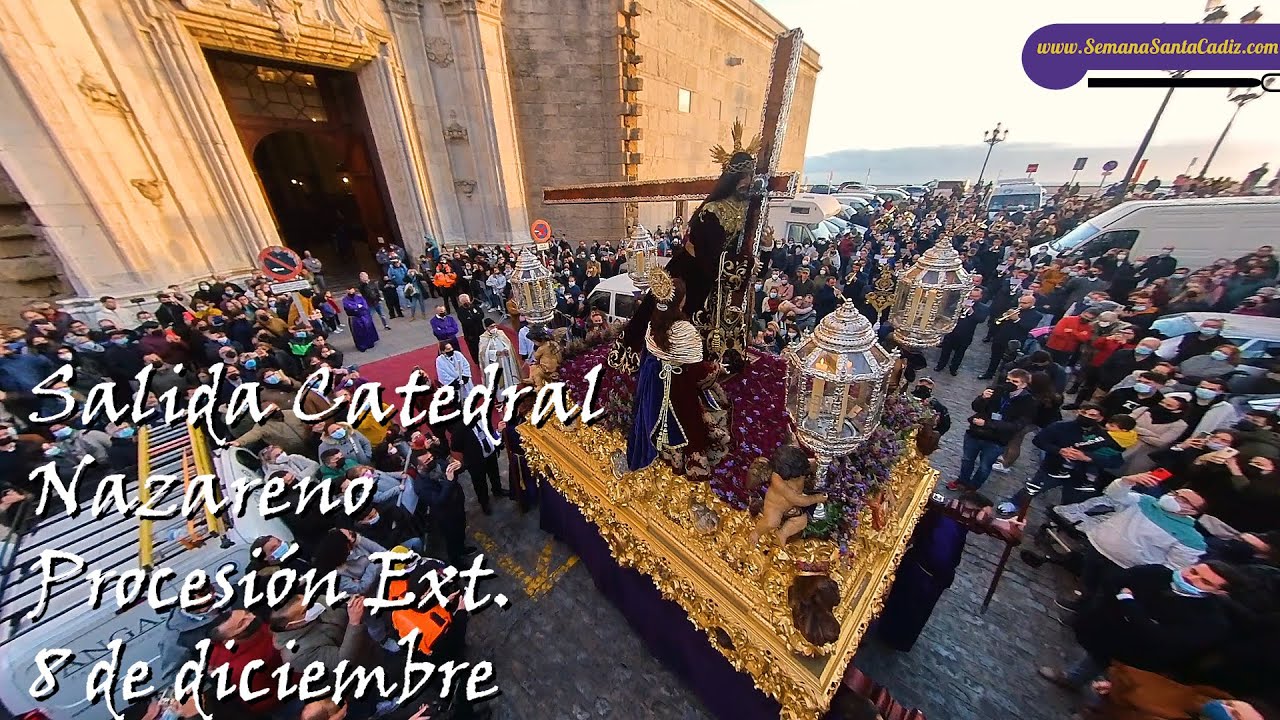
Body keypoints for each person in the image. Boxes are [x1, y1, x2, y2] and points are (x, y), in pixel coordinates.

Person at [617, 149, 755, 366]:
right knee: (674, 313)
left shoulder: (748, 208)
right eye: (744, 176)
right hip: (694, 272)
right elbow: (703, 249)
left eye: (751, 175)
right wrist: (734, 267)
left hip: (718, 276)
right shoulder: (712, 210)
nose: (748, 181)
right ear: (733, 178)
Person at [1039, 562, 1245, 693]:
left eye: (1205, 582)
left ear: (1218, 592)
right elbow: (1114, 582)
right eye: (1194, 571)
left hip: (1138, 657)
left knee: (1122, 688)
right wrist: (1140, 618)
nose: (1191, 578)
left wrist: (1129, 603)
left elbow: (1162, 639)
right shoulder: (1158, 572)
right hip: (1107, 632)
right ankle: (1072, 681)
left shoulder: (1211, 621)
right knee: (1095, 659)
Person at [626, 270, 729, 481]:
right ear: (681, 301)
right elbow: (697, 371)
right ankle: (692, 459)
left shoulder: (653, 323)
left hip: (654, 386)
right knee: (691, 421)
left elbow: (648, 355)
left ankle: (664, 453)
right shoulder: (684, 330)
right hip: (679, 388)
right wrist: (717, 369)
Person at [950, 368, 1036, 492]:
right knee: (967, 460)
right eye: (1008, 379)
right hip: (976, 433)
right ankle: (962, 481)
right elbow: (976, 407)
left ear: (1024, 385)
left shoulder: (1028, 402)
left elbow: (1016, 425)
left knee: (985, 467)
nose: (1009, 383)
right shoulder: (997, 390)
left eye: (1015, 381)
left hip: (997, 440)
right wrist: (982, 398)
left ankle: (973, 487)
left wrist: (988, 424)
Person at [979, 294, 1042, 380]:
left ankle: (1003, 378)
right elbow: (998, 321)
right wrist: (1004, 317)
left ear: (1032, 303)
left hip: (1014, 341)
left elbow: (1028, 327)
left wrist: (1017, 319)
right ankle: (989, 373)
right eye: (1020, 302)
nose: (1021, 305)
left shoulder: (1036, 315)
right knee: (994, 358)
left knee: (1008, 362)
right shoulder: (1014, 308)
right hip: (1001, 337)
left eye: (1024, 303)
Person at [934, 287, 988, 376]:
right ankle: (940, 365)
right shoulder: (961, 300)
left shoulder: (984, 308)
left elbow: (981, 319)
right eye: (971, 295)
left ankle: (954, 368)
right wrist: (959, 307)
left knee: (959, 354)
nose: (972, 298)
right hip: (952, 331)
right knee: (945, 350)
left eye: (976, 296)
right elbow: (950, 310)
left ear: (980, 296)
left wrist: (971, 311)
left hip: (966, 334)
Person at [478, 318, 520, 395]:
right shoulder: (483, 338)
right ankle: (502, 396)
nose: (494, 328)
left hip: (505, 359)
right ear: (486, 328)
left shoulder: (500, 333)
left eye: (495, 326)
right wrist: (495, 353)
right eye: (491, 327)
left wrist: (506, 349)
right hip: (495, 362)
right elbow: (483, 353)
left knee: (508, 375)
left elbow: (508, 344)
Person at [341, 286, 379, 352]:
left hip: (364, 315)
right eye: (349, 290)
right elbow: (349, 307)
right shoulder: (345, 300)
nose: (351, 291)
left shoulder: (359, 297)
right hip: (355, 318)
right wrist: (357, 307)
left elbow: (364, 306)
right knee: (358, 332)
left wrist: (357, 307)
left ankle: (370, 343)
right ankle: (362, 345)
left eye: (352, 290)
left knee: (368, 329)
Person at [456, 293, 486, 361]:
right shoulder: (460, 311)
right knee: (474, 349)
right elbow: (466, 322)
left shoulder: (475, 307)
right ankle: (477, 361)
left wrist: (472, 317)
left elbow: (481, 315)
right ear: (461, 302)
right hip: (470, 334)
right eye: (464, 301)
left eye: (467, 300)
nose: (466, 302)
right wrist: (475, 317)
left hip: (480, 330)